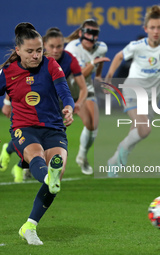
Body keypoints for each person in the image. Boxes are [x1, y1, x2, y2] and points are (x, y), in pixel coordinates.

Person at [0, 23, 74, 245]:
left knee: (56, 178)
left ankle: (29, 226)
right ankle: (48, 176)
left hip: (54, 128)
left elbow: (65, 92)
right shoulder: (8, 73)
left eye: (39, 50)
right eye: (30, 51)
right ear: (18, 51)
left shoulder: (51, 65)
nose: (35, 56)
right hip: (24, 128)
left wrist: (69, 108)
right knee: (36, 156)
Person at [105, 5, 160, 176]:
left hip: (152, 99)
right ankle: (119, 153)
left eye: (159, 27)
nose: (156, 31)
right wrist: (109, 77)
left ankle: (114, 161)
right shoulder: (137, 46)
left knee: (137, 132)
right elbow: (119, 56)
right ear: (146, 29)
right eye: (152, 28)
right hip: (132, 91)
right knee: (144, 129)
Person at [0, 27, 88, 181]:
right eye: (52, 46)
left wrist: (76, 104)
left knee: (43, 141)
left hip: (55, 105)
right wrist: (7, 102)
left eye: (59, 46)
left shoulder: (69, 60)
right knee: (32, 138)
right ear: (44, 45)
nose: (55, 50)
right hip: (33, 104)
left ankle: (22, 167)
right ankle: (11, 152)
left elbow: (83, 87)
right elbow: (15, 80)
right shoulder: (35, 59)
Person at [65, 19, 110, 174]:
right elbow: (79, 75)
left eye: (94, 33)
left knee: (93, 125)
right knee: (46, 127)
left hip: (87, 89)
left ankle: (82, 156)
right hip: (68, 90)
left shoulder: (101, 47)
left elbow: (100, 61)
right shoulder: (72, 48)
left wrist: (98, 76)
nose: (91, 37)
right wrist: (92, 63)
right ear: (80, 34)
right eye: (88, 33)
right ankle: (27, 164)